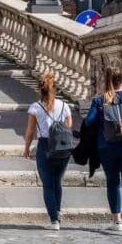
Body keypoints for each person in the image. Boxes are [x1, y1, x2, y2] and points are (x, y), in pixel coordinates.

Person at [84, 66, 122, 232]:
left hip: (106, 146)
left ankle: (117, 221)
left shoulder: (99, 100)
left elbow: (89, 121)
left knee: (113, 182)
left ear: (106, 81)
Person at [23, 71, 73, 230]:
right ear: (55, 89)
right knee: (57, 182)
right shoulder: (65, 106)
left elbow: (30, 131)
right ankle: (57, 212)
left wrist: (26, 148)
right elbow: (69, 126)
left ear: (40, 90)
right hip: (62, 147)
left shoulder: (35, 108)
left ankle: (54, 220)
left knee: (47, 184)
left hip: (44, 146)